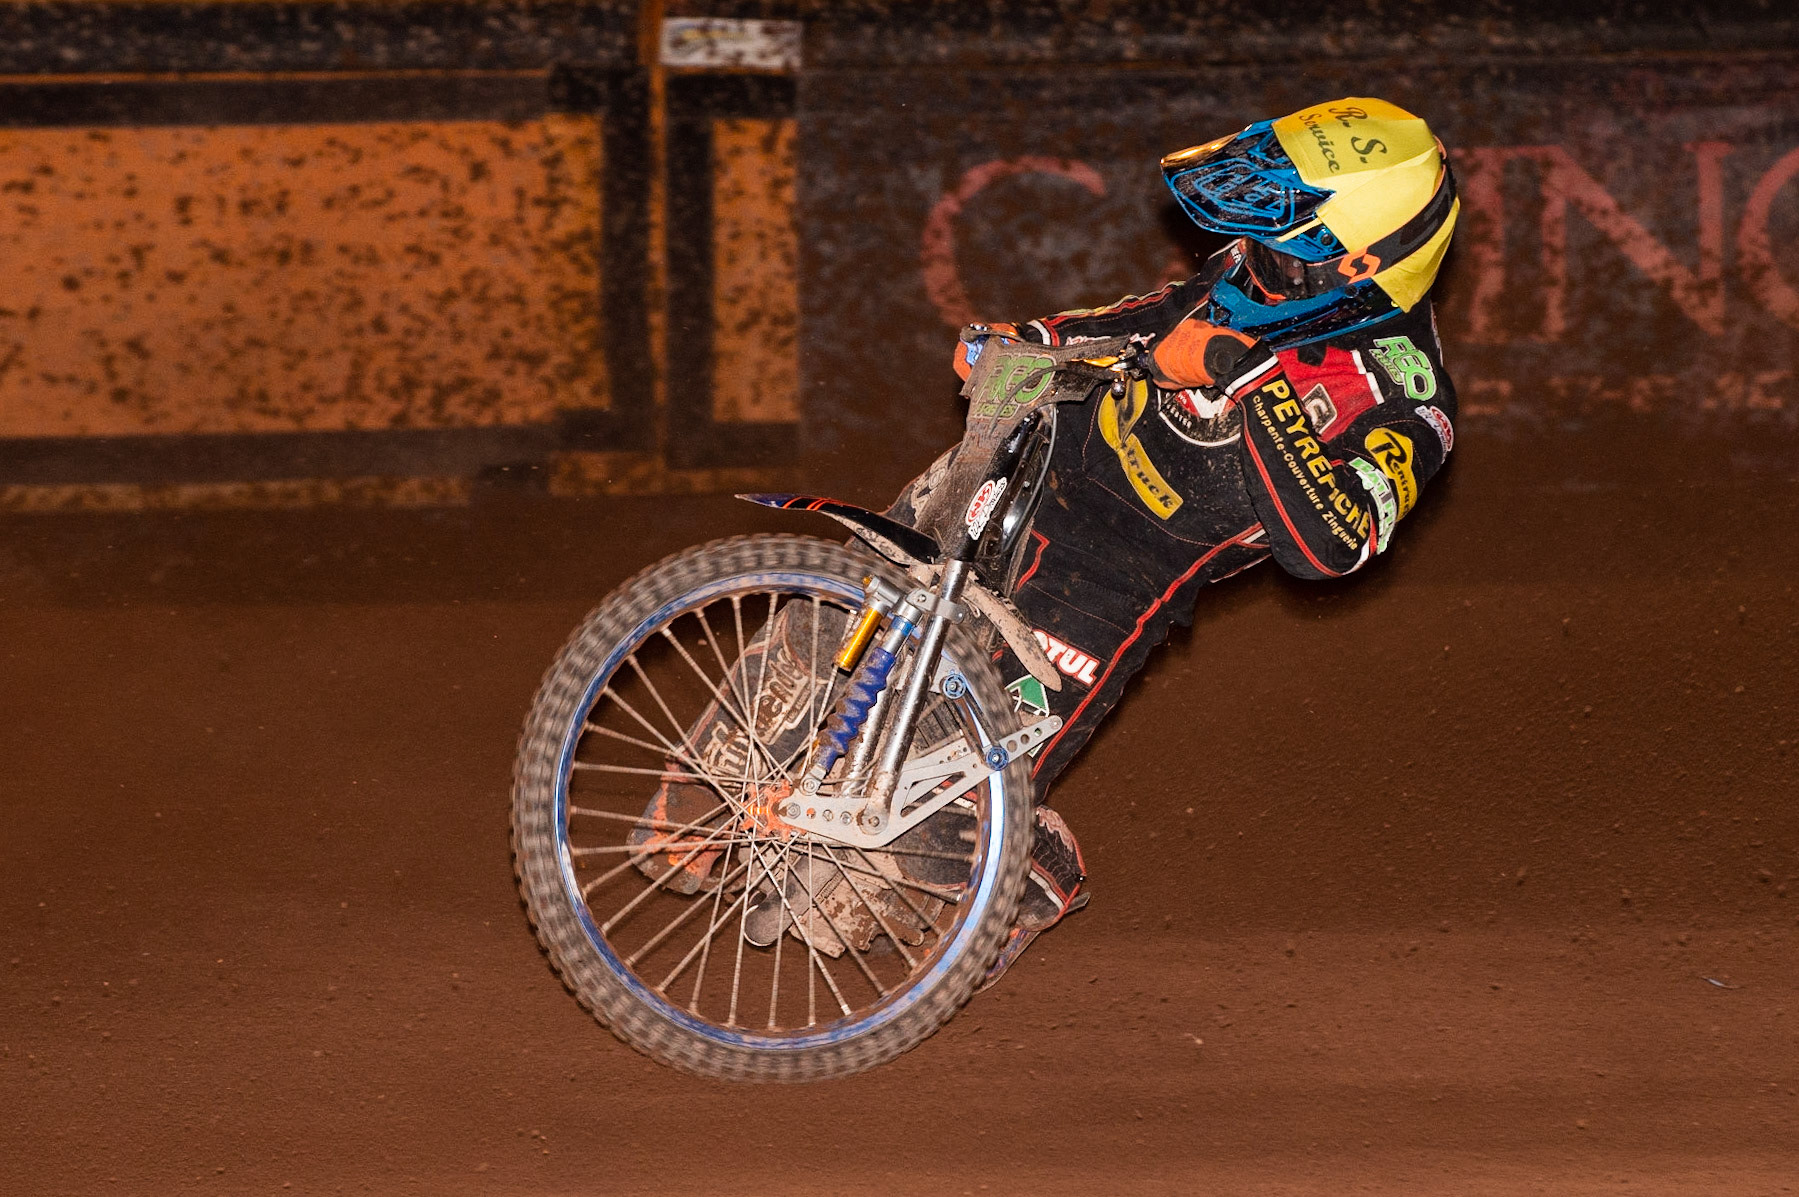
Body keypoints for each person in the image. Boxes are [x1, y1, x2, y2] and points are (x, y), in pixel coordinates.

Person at [894, 97, 1462, 984]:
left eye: (1290, 237)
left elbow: (1331, 544)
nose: (1256, 255)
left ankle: (1034, 869)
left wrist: (1242, 377)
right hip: (1041, 458)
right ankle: (710, 792)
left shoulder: (1404, 402)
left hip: (1109, 583)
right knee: (845, 613)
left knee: (928, 840)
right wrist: (1039, 339)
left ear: (1355, 262)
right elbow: (1160, 311)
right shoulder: (1262, 265)